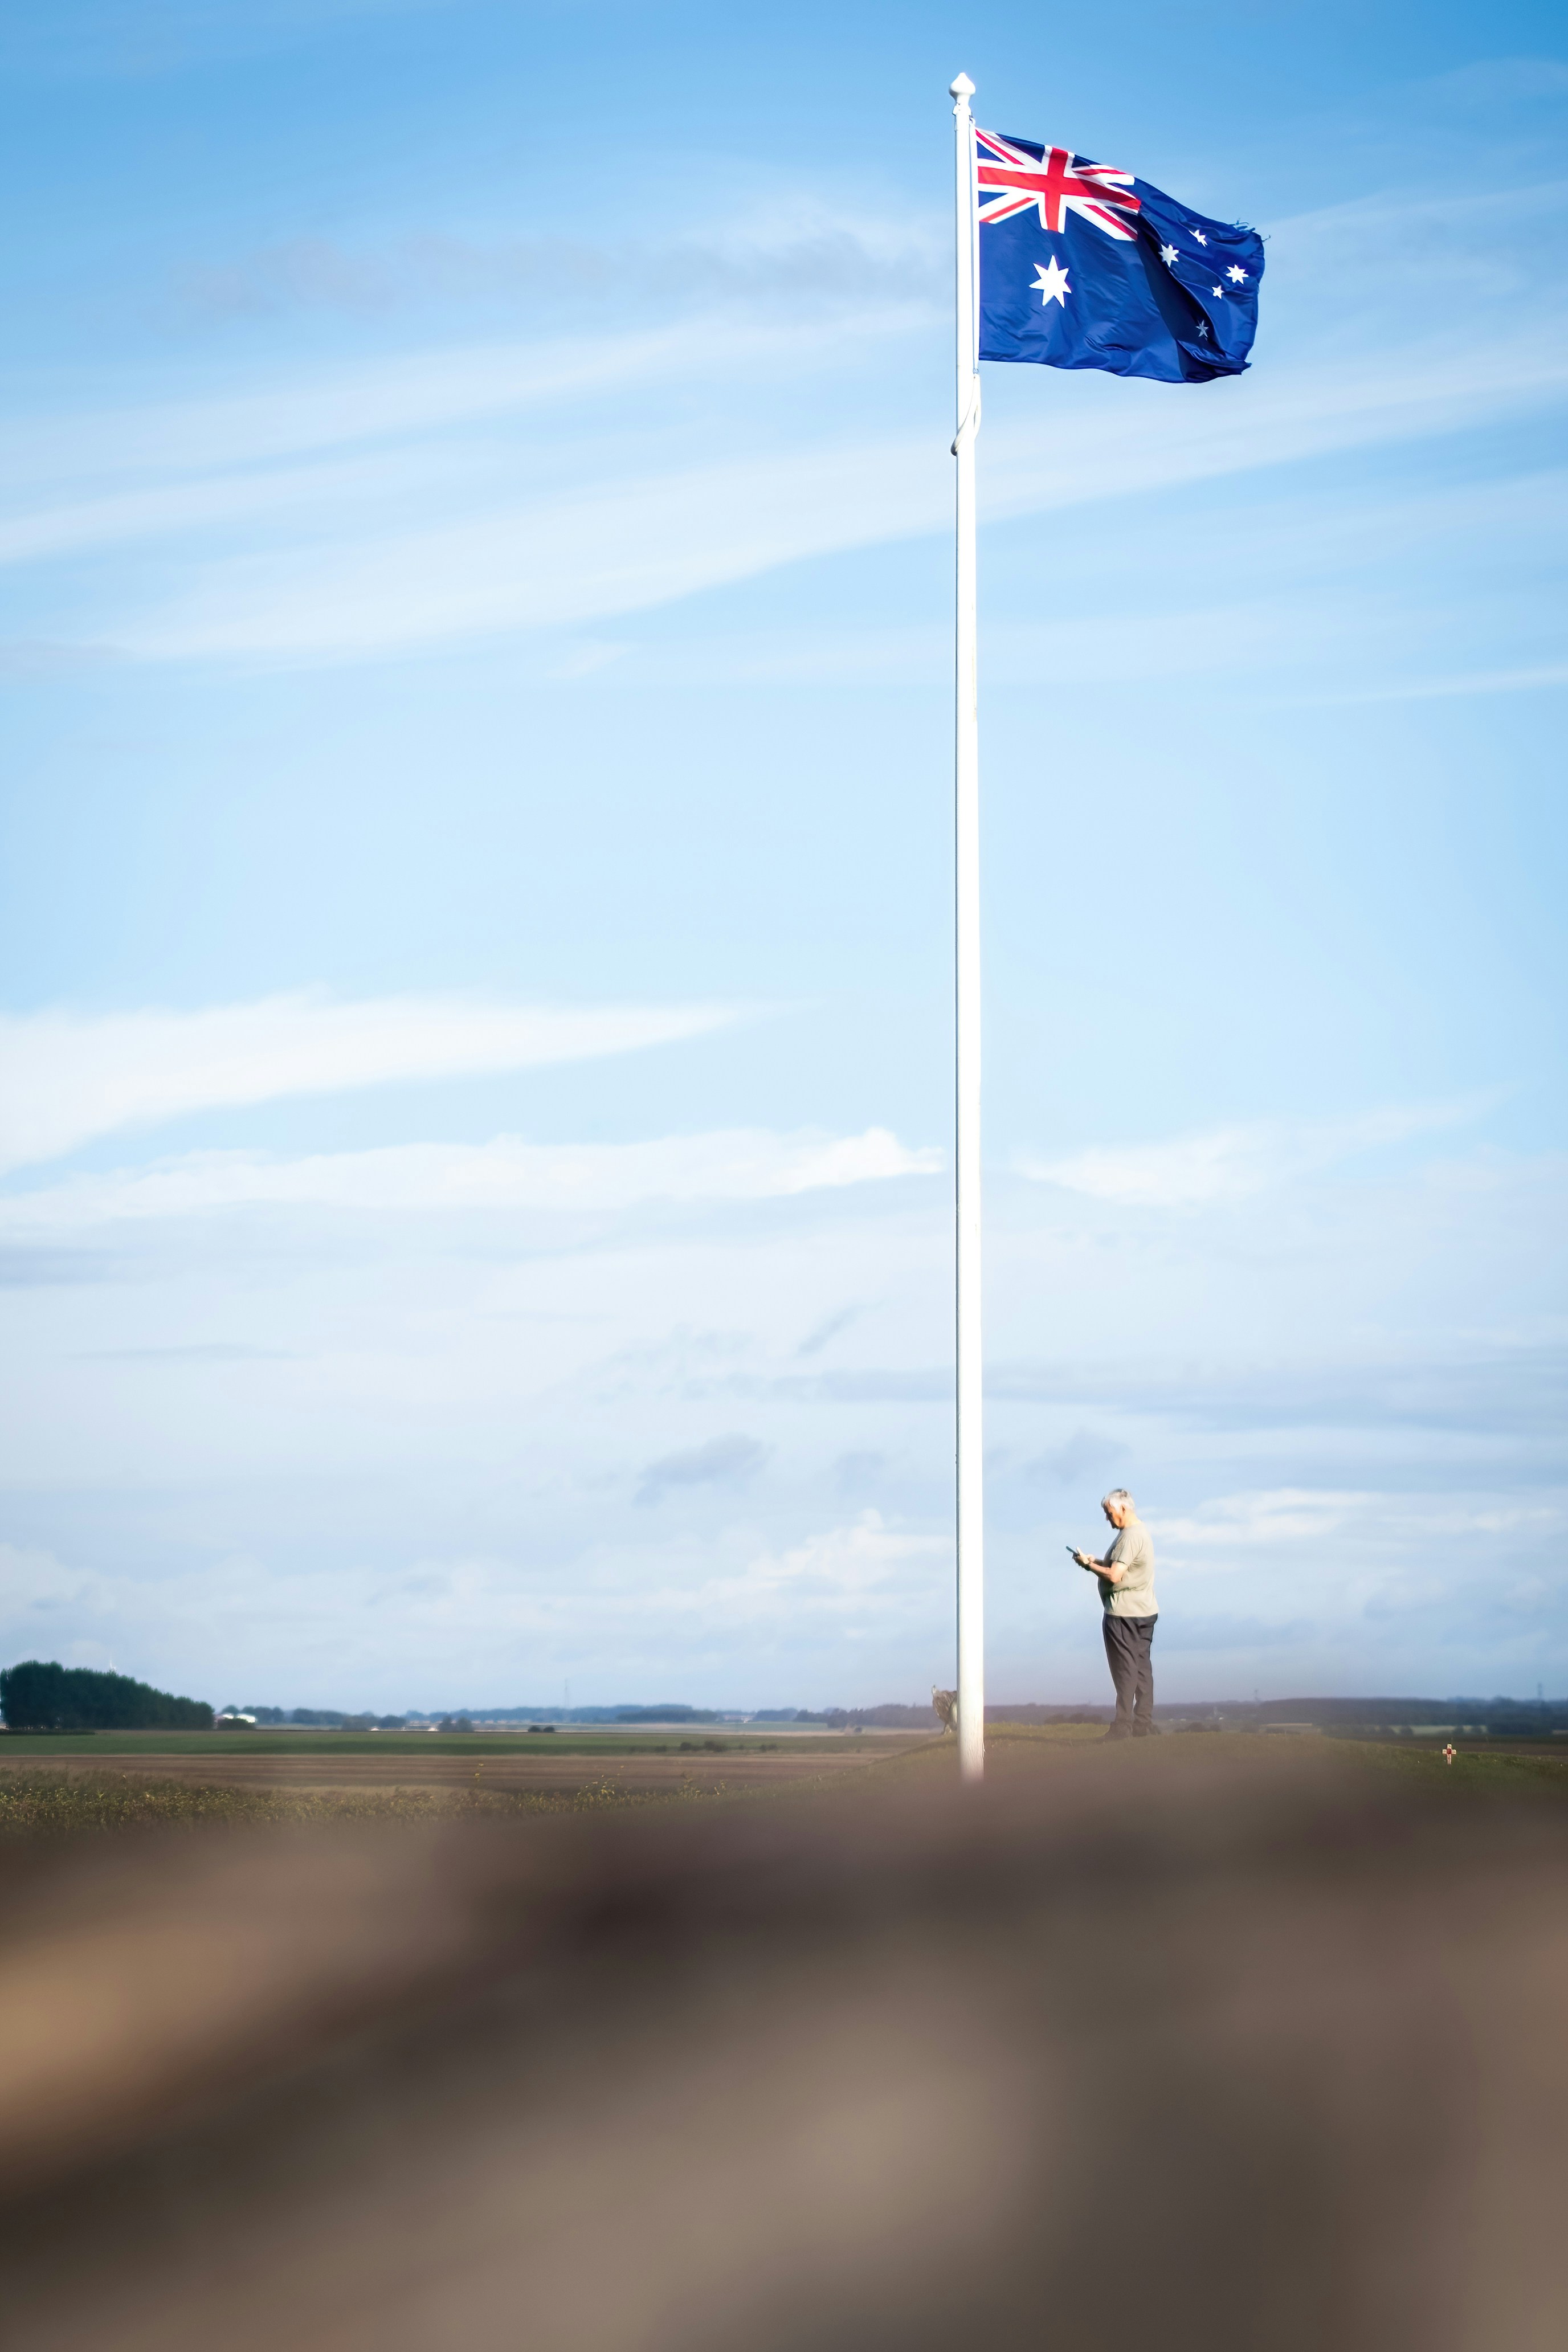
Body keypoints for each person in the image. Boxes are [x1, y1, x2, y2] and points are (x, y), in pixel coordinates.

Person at [1072, 1488, 1158, 1740]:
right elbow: (1120, 1567)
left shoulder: (1129, 1537)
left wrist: (1090, 1567)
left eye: (1109, 1513)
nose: (1108, 1519)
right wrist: (1095, 1560)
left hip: (1123, 1615)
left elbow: (1115, 1575)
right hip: (1145, 1611)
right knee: (1142, 1670)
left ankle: (1122, 1728)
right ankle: (1143, 1725)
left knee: (1125, 1671)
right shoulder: (1140, 1532)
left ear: (1123, 1508)